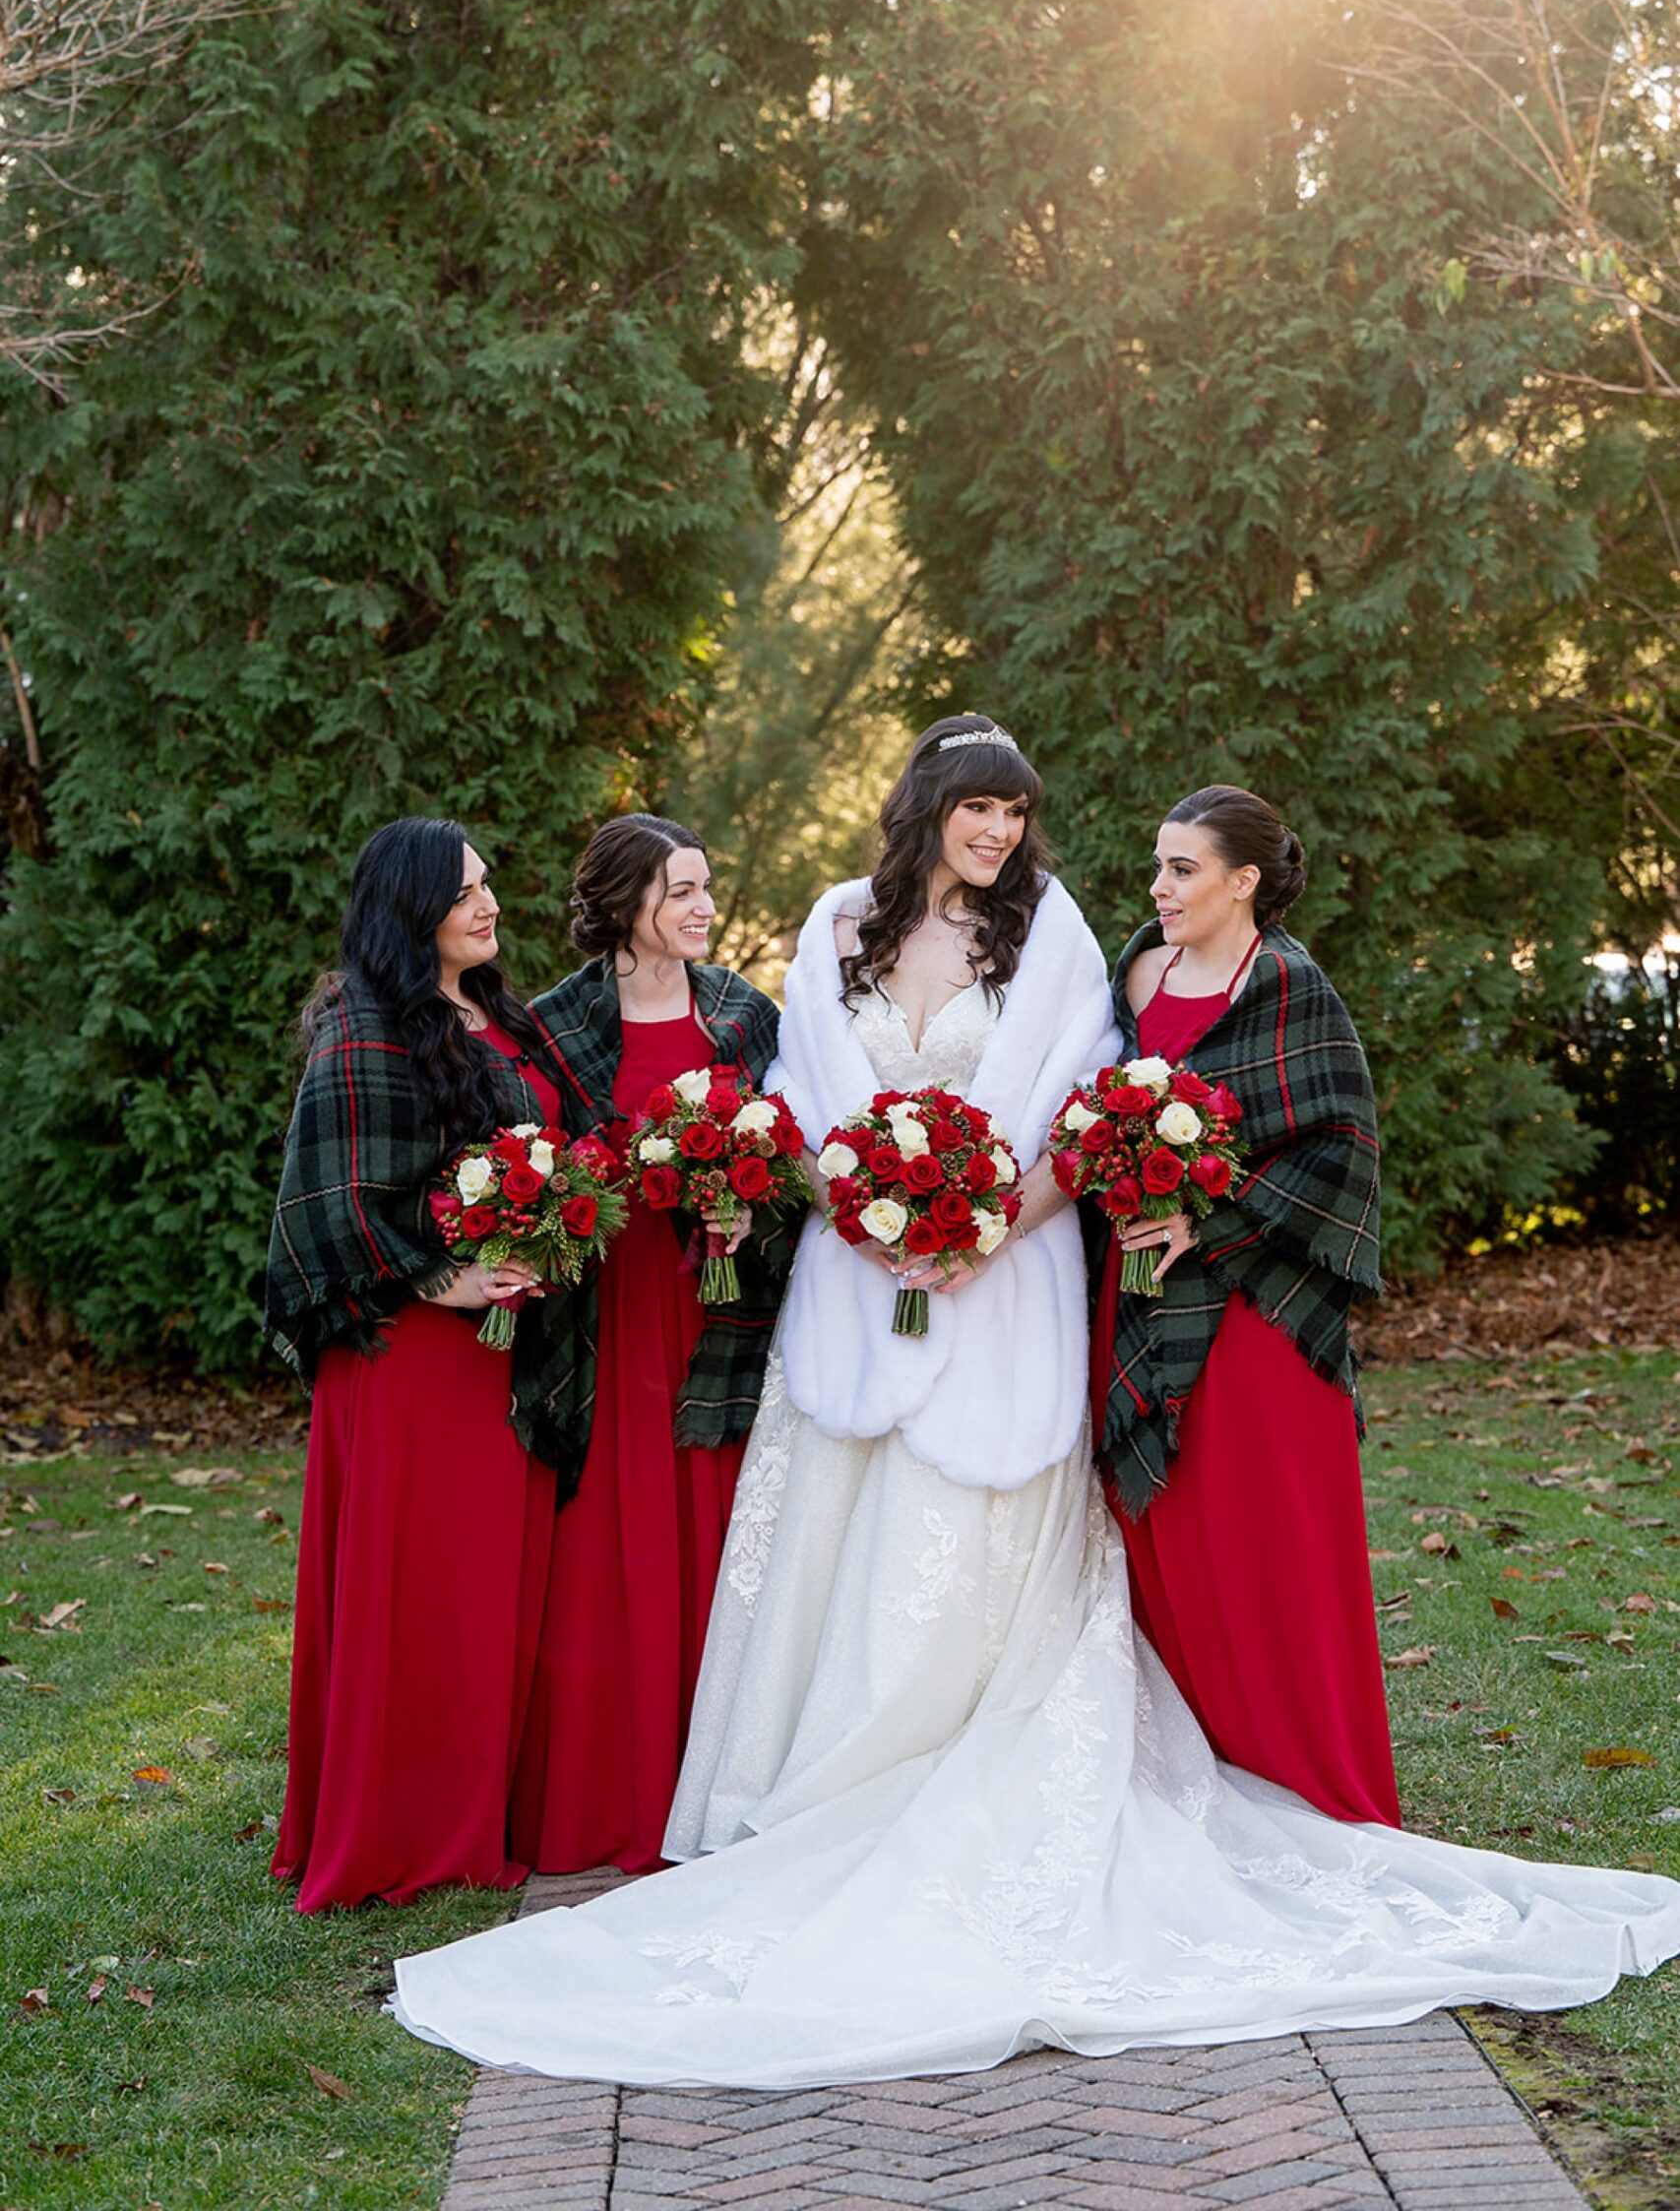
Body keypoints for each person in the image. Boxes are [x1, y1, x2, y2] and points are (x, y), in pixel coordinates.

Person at [392, 729, 1680, 2088]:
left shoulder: (1055, 933)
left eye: (1013, 812)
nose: (996, 833)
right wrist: (869, 1211)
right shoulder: (837, 924)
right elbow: (795, 1103)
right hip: (852, 1282)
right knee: (835, 1534)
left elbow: (1079, 1114)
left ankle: (958, 1759)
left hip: (999, 1284)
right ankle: (814, 1785)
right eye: (974, 809)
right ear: (925, 811)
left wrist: (980, 1226)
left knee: (978, 1542)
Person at [1089, 784, 1399, 1825]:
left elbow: (1341, 1146)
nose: (1159, 886)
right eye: (1158, 865)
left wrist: (1207, 1223)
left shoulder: (1289, 986)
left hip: (1258, 1312)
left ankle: (1309, 1783)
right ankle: (1198, 1777)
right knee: (1167, 1539)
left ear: (1244, 879)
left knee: (1271, 1552)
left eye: (1182, 868)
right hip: (1135, 1297)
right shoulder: (1136, 973)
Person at [266, 817, 559, 1913]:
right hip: (408, 1363)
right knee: (414, 1592)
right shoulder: (364, 1028)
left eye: (488, 885)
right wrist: (450, 1279)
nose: (488, 907)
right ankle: (399, 1828)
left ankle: (469, 1814)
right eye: (465, 893)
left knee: (478, 1593)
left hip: (496, 1362)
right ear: (410, 910)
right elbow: (332, 1208)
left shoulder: (491, 1013)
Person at [505, 814, 791, 1874]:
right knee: (610, 1534)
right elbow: (536, 1157)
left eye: (706, 887)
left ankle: (721, 1784)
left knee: (720, 1528)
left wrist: (751, 1206)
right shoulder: (555, 1023)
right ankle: (603, 1794)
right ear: (629, 901)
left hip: (720, 1311)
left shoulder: (744, 1012)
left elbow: (791, 1145)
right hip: (611, 1307)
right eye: (683, 890)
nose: (704, 907)